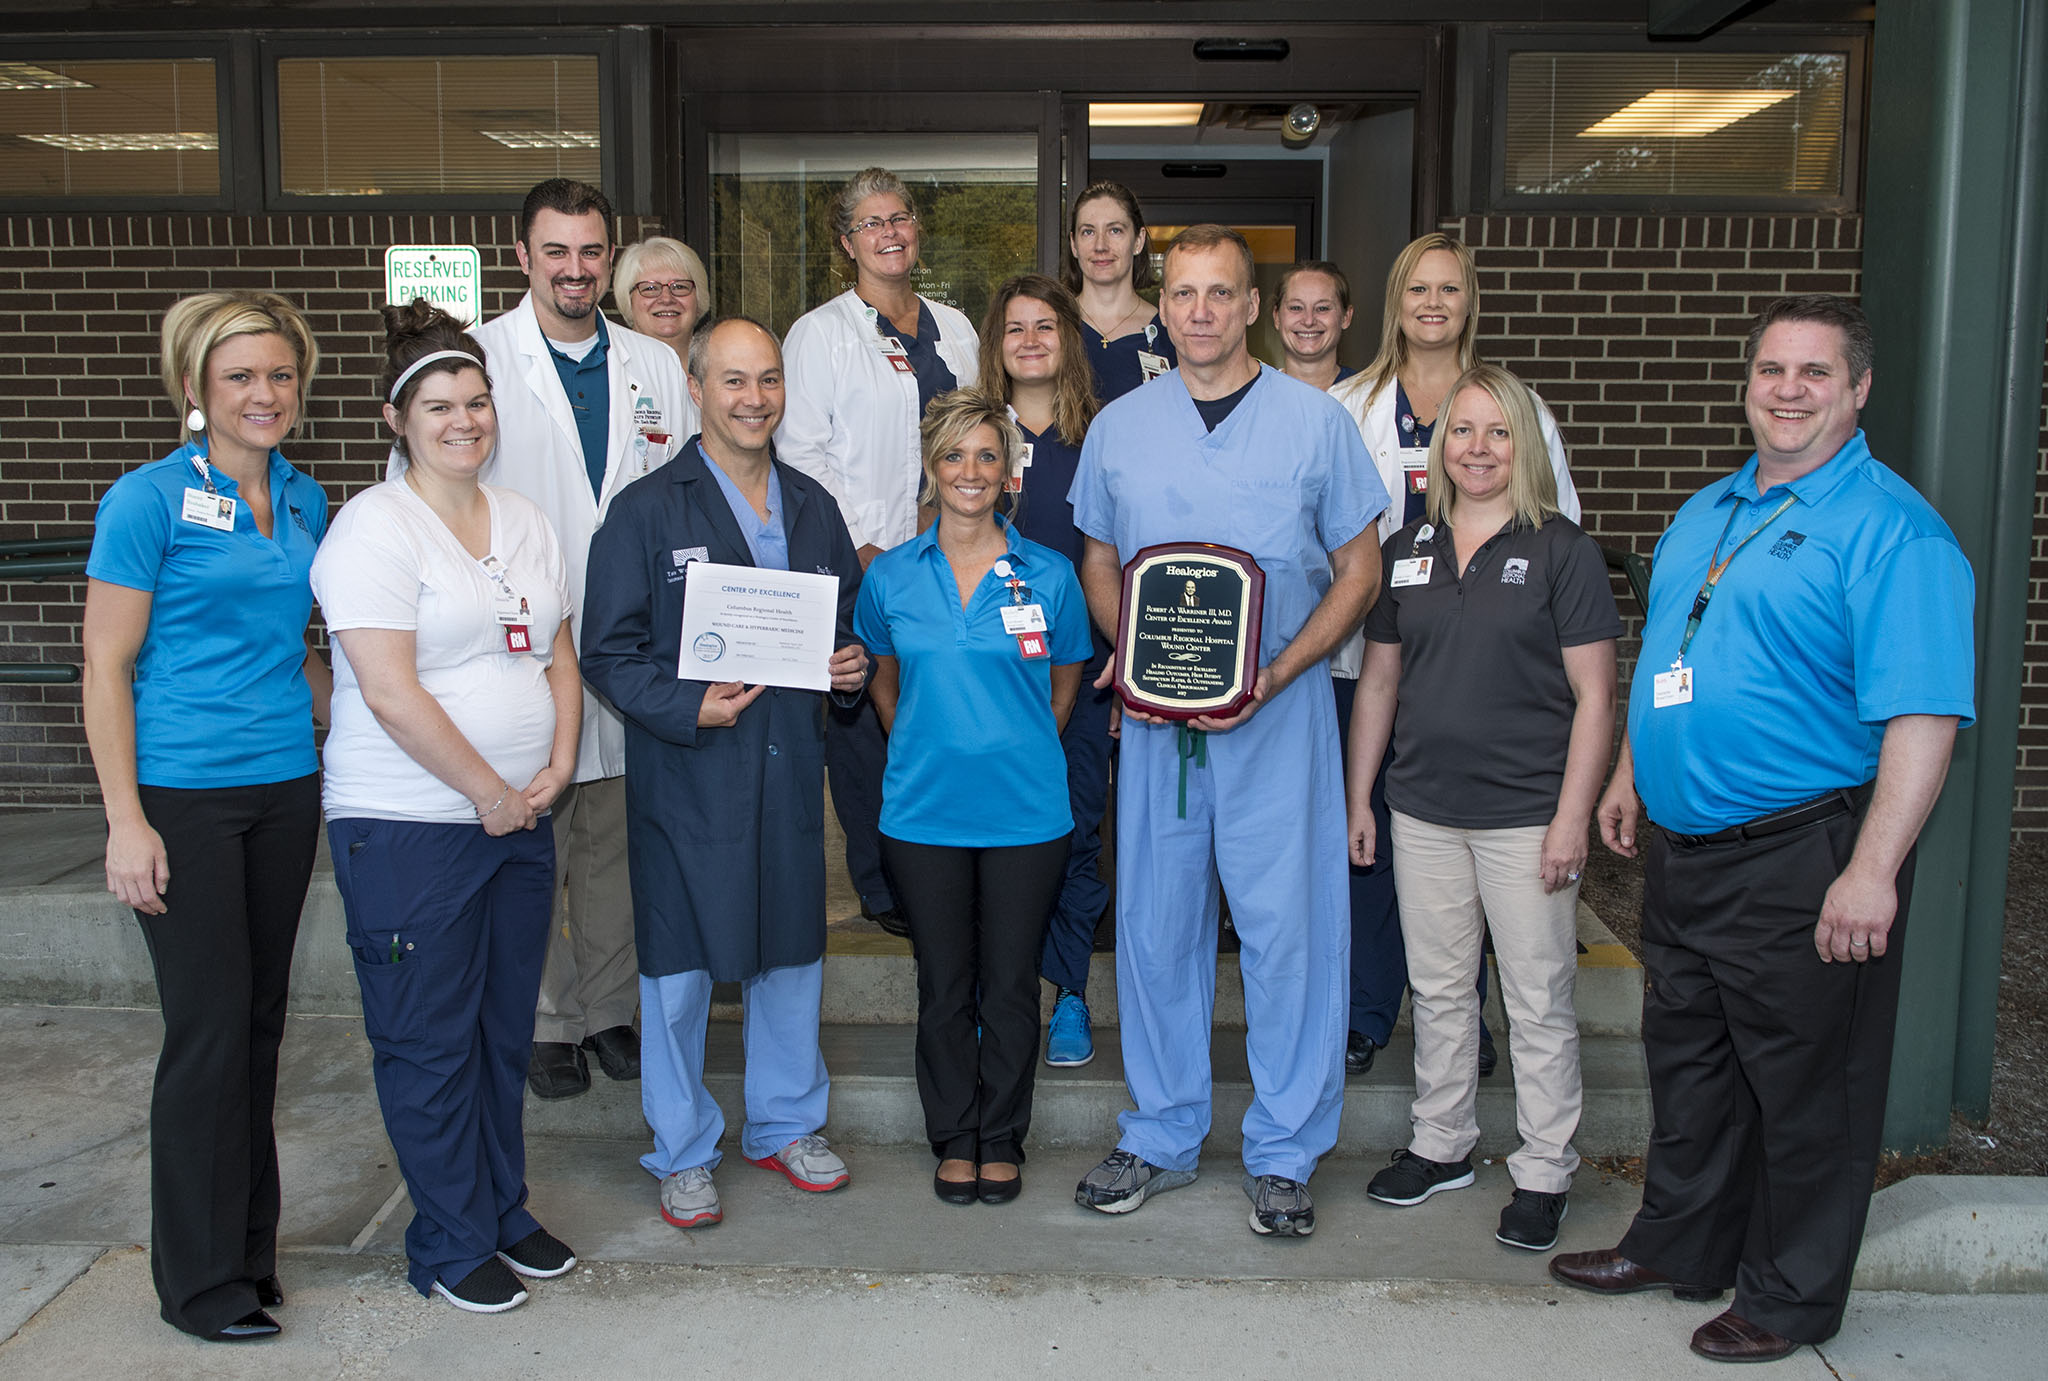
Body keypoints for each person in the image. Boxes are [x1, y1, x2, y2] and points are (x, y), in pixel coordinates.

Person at [1549, 295, 1975, 1363]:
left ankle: (1788, 1296)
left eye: (1813, 373)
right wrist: (1631, 771)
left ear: (1857, 388)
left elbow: (1922, 715)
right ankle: (1681, 1244)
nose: (1786, 390)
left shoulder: (1893, 530)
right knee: (1689, 1063)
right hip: (1685, 852)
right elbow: (1665, 652)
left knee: (1804, 1087)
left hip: (1803, 853)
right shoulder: (1708, 508)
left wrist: (1871, 870)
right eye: (1770, 371)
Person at [1069, 224, 1387, 1238]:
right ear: (1159, 307)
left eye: (1220, 293)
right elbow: (1098, 562)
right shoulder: (1122, 425)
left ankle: (1285, 1147)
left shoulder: (1314, 424)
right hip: (1160, 724)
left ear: (1253, 307)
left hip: (1279, 715)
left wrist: (1280, 670)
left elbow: (1360, 572)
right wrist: (1142, 661)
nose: (1199, 311)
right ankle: (1159, 1131)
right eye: (1182, 294)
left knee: (1289, 932)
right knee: (1156, 931)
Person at [314, 302, 583, 1314]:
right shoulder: (372, 528)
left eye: (476, 400)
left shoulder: (522, 518)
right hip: (409, 828)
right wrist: (488, 793)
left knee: (499, 1031)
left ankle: (501, 1207)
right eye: (439, 405)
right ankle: (447, 1238)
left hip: (520, 818)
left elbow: (556, 647)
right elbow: (386, 690)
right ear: (398, 417)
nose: (463, 419)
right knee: (427, 1038)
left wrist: (555, 764)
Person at [581, 316, 870, 1232]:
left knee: (792, 947)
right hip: (690, 769)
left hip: (786, 768)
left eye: (769, 380)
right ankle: (683, 1146)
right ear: (697, 391)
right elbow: (608, 650)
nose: (754, 399)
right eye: (734, 381)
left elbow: (843, 626)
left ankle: (785, 1121)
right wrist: (682, 705)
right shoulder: (645, 510)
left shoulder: (814, 506)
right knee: (679, 965)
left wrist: (848, 665)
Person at [82, 290, 330, 1344]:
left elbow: (310, 649)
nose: (263, 394)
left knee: (261, 1027)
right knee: (207, 1031)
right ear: (195, 389)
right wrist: (124, 819)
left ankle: (248, 1256)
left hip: (286, 784)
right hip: (182, 792)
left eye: (278, 375)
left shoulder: (308, 497)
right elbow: (105, 663)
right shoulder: (145, 500)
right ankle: (196, 1282)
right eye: (240, 377)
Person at [1346, 363, 1619, 1252]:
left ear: (1525, 446)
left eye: (1498, 432)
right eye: (1460, 431)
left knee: (1536, 999)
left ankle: (1544, 1169)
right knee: (1439, 987)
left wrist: (1573, 816)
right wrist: (1363, 798)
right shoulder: (1406, 549)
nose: (1478, 448)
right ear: (1437, 447)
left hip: (1527, 815)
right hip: (1422, 808)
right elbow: (1380, 680)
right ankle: (1443, 1141)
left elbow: (1595, 697)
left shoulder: (1562, 551)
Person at [437, 178, 691, 1101]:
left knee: (616, 843)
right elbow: (430, 499)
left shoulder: (655, 366)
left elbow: (684, 495)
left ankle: (611, 1009)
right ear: (523, 257)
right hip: (520, 640)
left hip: (630, 642)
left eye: (592, 253)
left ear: (610, 260)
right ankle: (547, 1018)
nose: (576, 270)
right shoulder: (480, 361)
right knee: (535, 835)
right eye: (557, 252)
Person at [1330, 233, 1583, 1080]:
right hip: (1369, 660)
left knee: (1470, 852)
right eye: (1417, 289)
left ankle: (1466, 1021)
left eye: (1449, 289)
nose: (1433, 304)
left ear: (1469, 301)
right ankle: (1369, 1010)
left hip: (1482, 671)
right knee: (1372, 846)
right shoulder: (1347, 402)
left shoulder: (1518, 407)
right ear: (1394, 302)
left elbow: (1557, 534)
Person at [857, 390, 1093, 1205]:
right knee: (945, 986)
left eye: (988, 456)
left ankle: (1002, 1135)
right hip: (923, 813)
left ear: (1009, 472)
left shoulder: (1051, 576)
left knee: (1010, 983)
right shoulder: (890, 576)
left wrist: (1016, 740)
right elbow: (885, 685)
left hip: (1028, 812)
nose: (971, 471)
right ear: (931, 468)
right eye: (954, 455)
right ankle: (954, 1134)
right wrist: (927, 740)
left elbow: (1064, 689)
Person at [778, 166, 979, 938]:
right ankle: (881, 879)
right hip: (862, 567)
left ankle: (946, 861)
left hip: (950, 564)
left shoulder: (956, 328)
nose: (889, 231)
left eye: (900, 218)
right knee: (865, 725)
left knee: (936, 715)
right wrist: (867, 551)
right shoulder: (820, 334)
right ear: (846, 242)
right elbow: (805, 457)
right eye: (871, 223)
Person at [974, 273, 1109, 1069]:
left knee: (1075, 835)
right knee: (991, 838)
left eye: (1045, 327)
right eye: (1014, 327)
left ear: (1070, 341)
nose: (1029, 340)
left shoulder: (1101, 435)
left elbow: (1120, 555)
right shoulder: (971, 429)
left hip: (1079, 675)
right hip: (986, 680)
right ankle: (1003, 991)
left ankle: (1071, 994)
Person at [1064, 180, 1176, 402]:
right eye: (1088, 232)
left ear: (1138, 240)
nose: (1100, 245)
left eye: (1115, 230)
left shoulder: (1169, 331)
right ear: (1074, 245)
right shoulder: (1052, 326)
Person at [614, 235, 709, 373]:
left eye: (679, 287)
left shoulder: (720, 366)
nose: (666, 298)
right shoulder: (612, 370)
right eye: (650, 288)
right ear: (628, 300)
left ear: (699, 297)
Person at [1271, 261, 1357, 390]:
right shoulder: (1254, 397)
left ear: (1346, 317)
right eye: (1296, 307)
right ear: (1277, 317)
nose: (1309, 321)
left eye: (1322, 308)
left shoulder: (1370, 398)